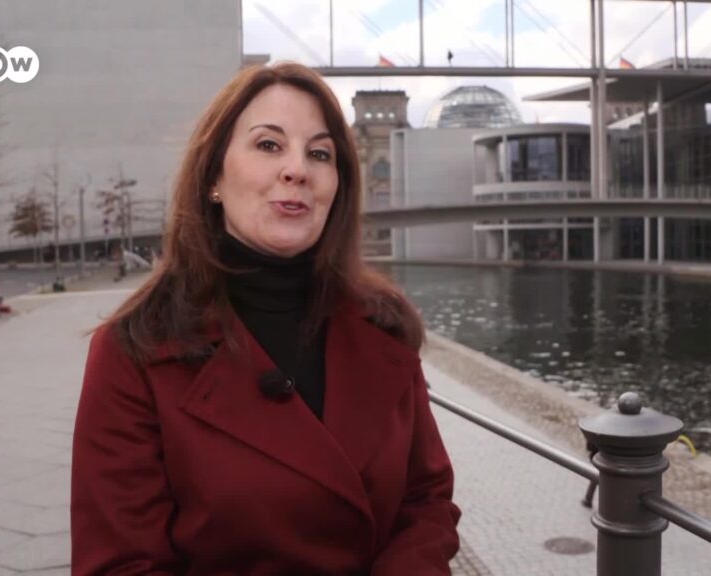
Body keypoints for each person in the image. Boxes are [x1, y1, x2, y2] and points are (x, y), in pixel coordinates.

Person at [71, 62, 461, 575]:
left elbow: (426, 501)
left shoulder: (385, 326)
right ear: (214, 176)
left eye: (319, 154)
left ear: (337, 187)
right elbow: (121, 564)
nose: (297, 170)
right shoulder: (135, 350)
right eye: (269, 145)